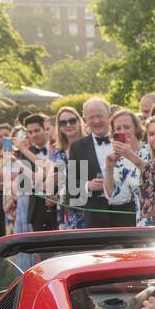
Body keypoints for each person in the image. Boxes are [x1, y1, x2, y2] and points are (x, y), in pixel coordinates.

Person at [66, 98, 114, 229]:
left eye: (100, 116)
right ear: (85, 120)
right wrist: (88, 185)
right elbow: (70, 184)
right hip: (95, 219)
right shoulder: (78, 147)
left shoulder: (123, 141)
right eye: (91, 117)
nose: (96, 121)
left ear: (109, 116)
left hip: (126, 216)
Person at [102, 108, 150, 226]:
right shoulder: (118, 159)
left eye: (127, 127)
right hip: (140, 221)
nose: (122, 131)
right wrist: (109, 168)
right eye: (118, 128)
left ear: (136, 128)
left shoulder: (149, 150)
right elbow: (114, 197)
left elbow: (154, 179)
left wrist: (130, 155)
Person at [52, 106, 86, 229]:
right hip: (65, 210)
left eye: (72, 121)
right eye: (63, 123)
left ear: (79, 121)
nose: (68, 125)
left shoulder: (90, 146)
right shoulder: (58, 153)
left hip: (88, 208)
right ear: (59, 127)